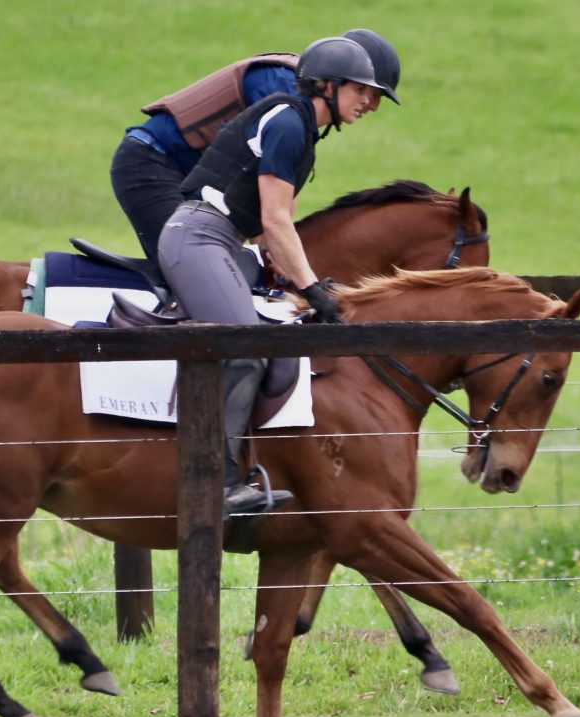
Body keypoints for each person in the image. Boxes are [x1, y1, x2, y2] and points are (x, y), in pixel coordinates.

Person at [157, 36, 389, 514]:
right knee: (244, 348)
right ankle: (215, 483)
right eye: (362, 90)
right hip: (200, 237)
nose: (371, 103)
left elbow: (271, 231)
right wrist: (312, 288)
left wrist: (299, 279)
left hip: (220, 240)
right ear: (327, 84)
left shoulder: (298, 129)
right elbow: (276, 220)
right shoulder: (288, 122)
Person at [110, 29, 401, 260]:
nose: (373, 106)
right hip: (151, 163)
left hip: (183, 175)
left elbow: (283, 182)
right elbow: (271, 192)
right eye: (369, 92)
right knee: (186, 268)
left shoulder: (301, 92)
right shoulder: (286, 89)